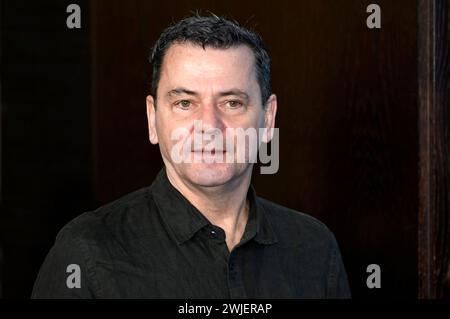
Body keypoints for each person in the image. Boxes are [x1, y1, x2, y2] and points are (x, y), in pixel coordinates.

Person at [32, 14, 351, 298]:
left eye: (232, 103)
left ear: (267, 120)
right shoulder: (85, 254)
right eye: (185, 103)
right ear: (152, 119)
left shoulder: (315, 249)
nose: (209, 126)